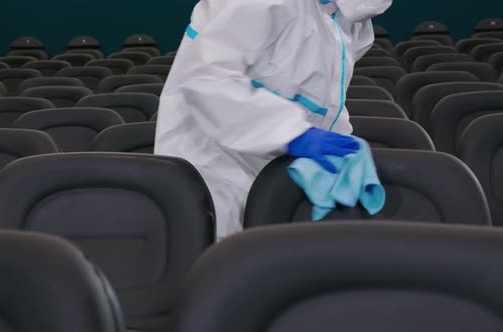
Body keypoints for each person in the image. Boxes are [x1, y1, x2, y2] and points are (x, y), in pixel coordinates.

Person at [155, 0, 393, 239]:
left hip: (272, 165)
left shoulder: (350, 17)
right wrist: (292, 133)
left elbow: (325, 96)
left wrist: (338, 142)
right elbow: (206, 79)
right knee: (219, 258)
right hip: (213, 161)